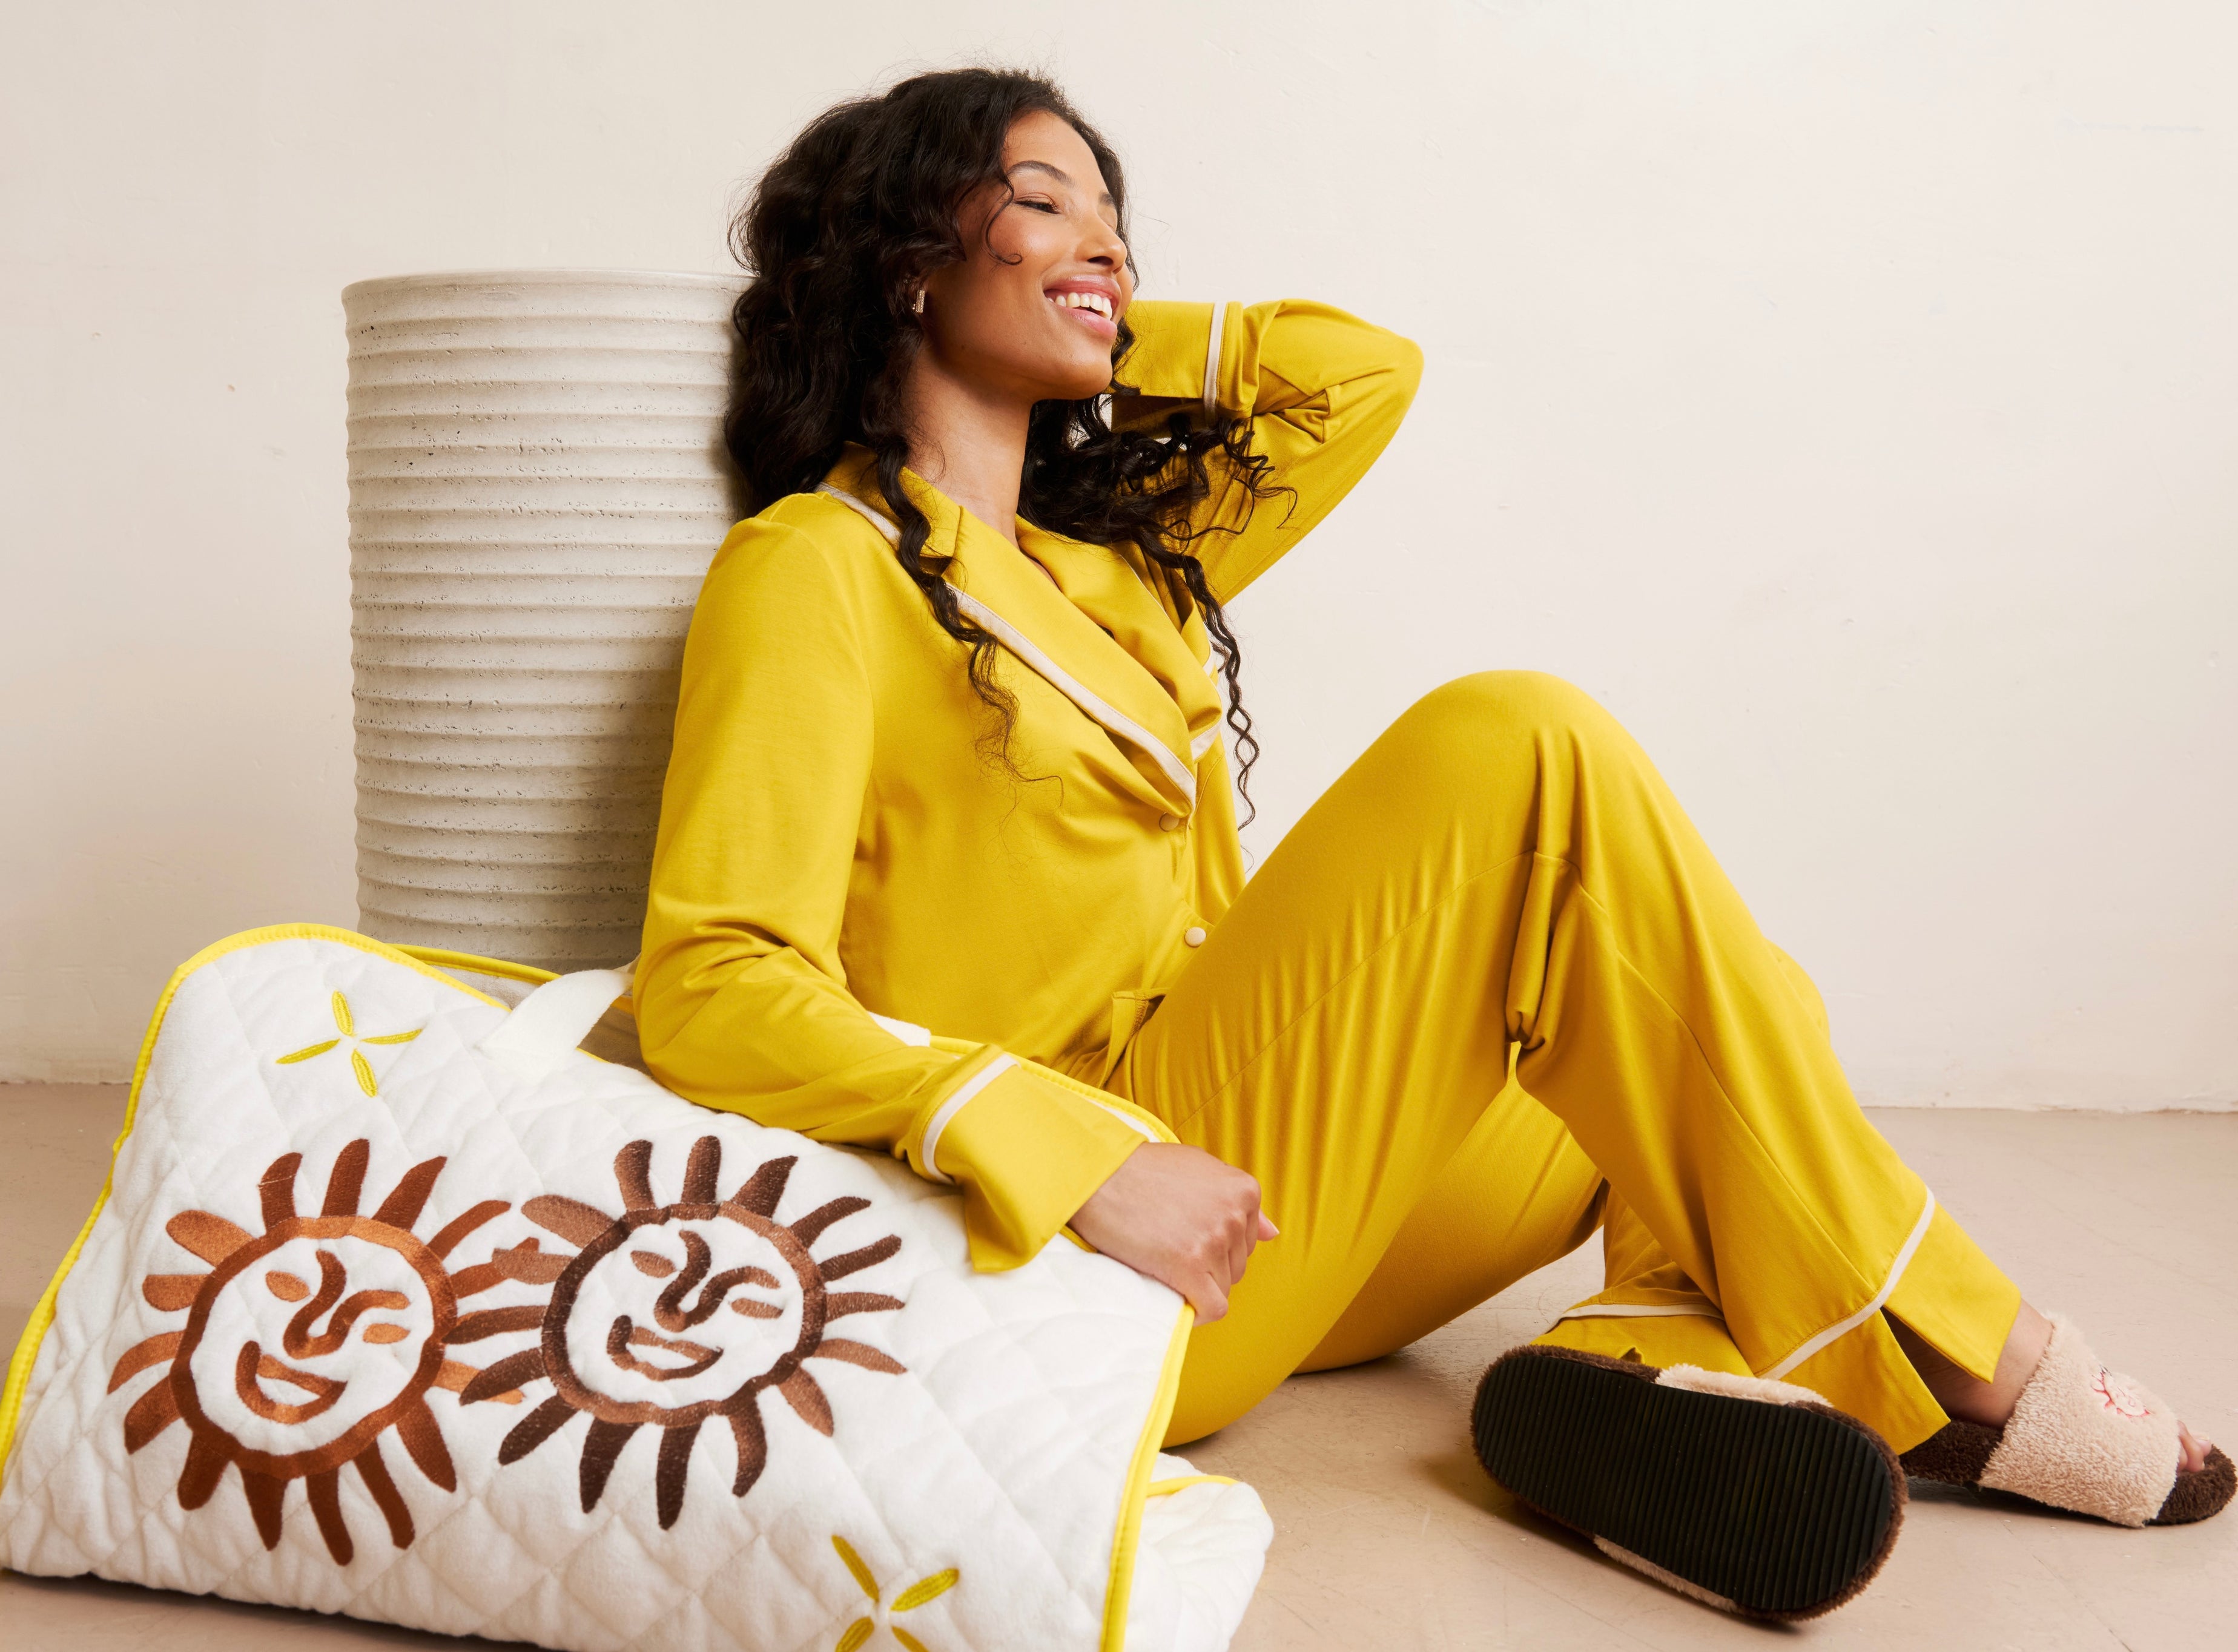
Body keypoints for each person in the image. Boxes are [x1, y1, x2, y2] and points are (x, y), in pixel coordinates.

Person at [634, 66, 2229, 1617]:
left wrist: (1088, 306)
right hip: (1100, 1243)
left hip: (1276, 1208)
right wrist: (1079, 1156)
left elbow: (1357, 373)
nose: (1110, 243)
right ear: (908, 259)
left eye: (1120, 217)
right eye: (1043, 200)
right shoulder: (816, 570)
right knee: (1520, 744)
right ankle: (1950, 1342)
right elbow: (711, 978)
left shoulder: (1126, 569)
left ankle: (1623, 1376)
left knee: (1731, 1011)